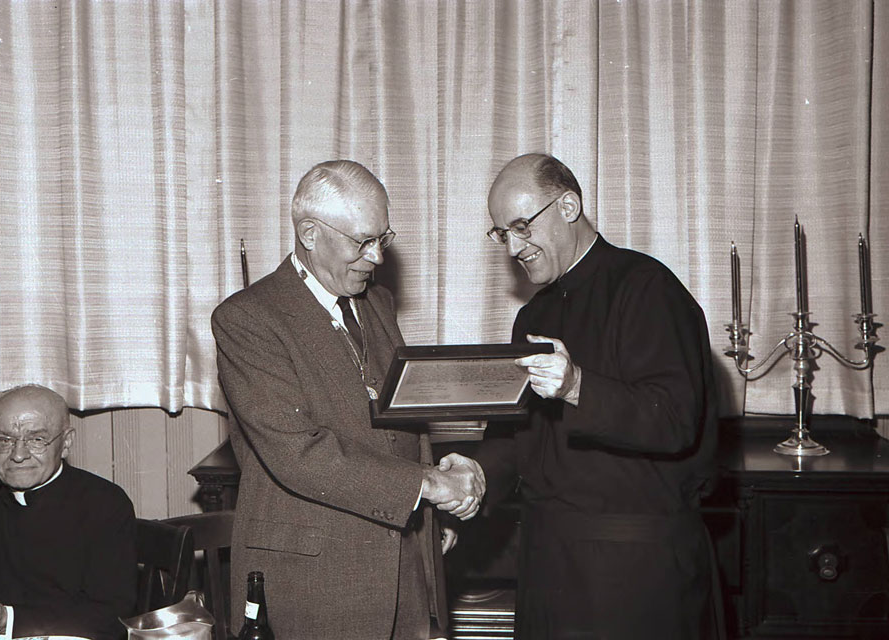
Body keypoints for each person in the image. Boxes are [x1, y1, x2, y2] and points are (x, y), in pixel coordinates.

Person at [212, 160, 485, 640]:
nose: (377, 257)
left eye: (384, 238)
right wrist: (428, 486)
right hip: (314, 581)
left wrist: (428, 509)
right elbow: (299, 454)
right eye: (362, 241)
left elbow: (400, 419)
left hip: (401, 565)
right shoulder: (248, 319)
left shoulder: (375, 302)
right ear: (310, 233)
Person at [475, 153, 720, 639]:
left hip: (633, 577)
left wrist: (577, 386)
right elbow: (518, 434)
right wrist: (475, 473)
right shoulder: (532, 317)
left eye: (522, 226)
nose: (512, 249)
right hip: (548, 565)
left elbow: (674, 420)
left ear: (568, 206)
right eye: (503, 233)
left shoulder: (648, 289)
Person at [0, 384, 137, 640]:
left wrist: (9, 621)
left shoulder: (105, 505)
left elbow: (113, 615)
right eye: (4, 440)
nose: (18, 455)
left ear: (66, 442)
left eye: (36, 440)